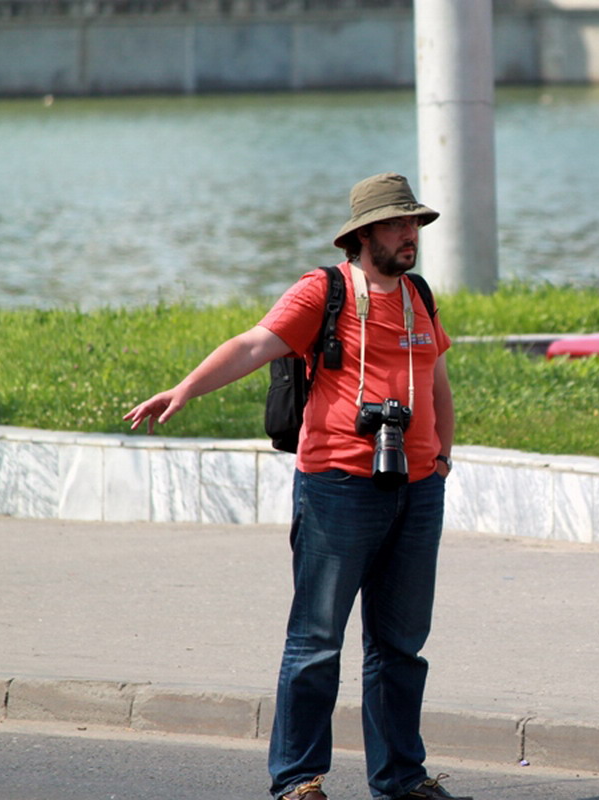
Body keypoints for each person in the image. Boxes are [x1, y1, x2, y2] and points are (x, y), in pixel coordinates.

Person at [124, 173, 471, 800]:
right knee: (316, 643)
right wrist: (185, 388)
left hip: (418, 491)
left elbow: (438, 379)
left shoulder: (419, 295)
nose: (410, 234)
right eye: (397, 224)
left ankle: (400, 779)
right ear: (364, 235)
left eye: (414, 222)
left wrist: (442, 458)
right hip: (338, 486)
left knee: (401, 648)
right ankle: (297, 780)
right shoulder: (325, 291)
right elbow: (255, 343)